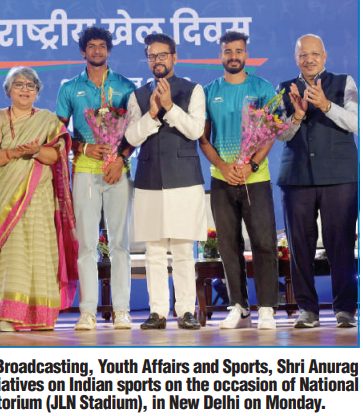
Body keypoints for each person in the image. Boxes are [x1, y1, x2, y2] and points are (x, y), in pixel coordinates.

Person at [0, 67, 77, 331]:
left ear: (37, 91)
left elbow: (57, 156)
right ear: (9, 90)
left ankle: (41, 316)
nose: (25, 89)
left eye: (30, 85)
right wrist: (13, 152)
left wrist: (36, 150)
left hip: (40, 196)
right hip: (6, 195)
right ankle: (7, 316)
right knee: (13, 253)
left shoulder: (47, 119)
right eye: (19, 84)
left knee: (40, 250)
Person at [56, 26, 136, 330]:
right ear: (83, 51)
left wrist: (121, 158)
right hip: (85, 172)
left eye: (102, 46)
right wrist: (85, 147)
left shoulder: (125, 86)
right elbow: (60, 133)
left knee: (120, 245)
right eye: (91, 46)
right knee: (87, 245)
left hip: (118, 172)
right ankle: (87, 311)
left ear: (109, 50)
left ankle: (122, 310)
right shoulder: (69, 88)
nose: (97, 51)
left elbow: (136, 131)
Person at [198, 31, 279, 330]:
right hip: (221, 178)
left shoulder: (262, 87)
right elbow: (203, 137)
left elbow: (269, 132)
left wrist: (252, 164)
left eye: (239, 51)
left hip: (255, 178)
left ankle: (267, 307)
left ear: (246, 55)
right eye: (227, 51)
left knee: (264, 242)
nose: (233, 56)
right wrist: (222, 164)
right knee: (228, 246)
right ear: (220, 56)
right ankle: (239, 306)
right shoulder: (209, 91)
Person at [276, 34, 358, 329]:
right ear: (296, 58)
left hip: (339, 178)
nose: (309, 59)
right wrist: (297, 116)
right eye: (302, 55)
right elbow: (280, 134)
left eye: (314, 54)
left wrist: (325, 105)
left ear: (324, 56)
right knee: (300, 247)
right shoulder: (284, 89)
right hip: (297, 178)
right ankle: (307, 310)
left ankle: (345, 309)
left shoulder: (344, 82)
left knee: (341, 245)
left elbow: (355, 123)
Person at [125, 33, 205, 330]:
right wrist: (153, 114)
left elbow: (196, 130)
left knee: (184, 249)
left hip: (184, 179)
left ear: (174, 57)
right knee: (154, 250)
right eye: (152, 56)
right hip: (149, 178)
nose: (157, 61)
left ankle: (186, 311)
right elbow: (131, 137)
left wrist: (170, 107)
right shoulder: (138, 95)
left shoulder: (193, 89)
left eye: (163, 55)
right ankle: (157, 312)